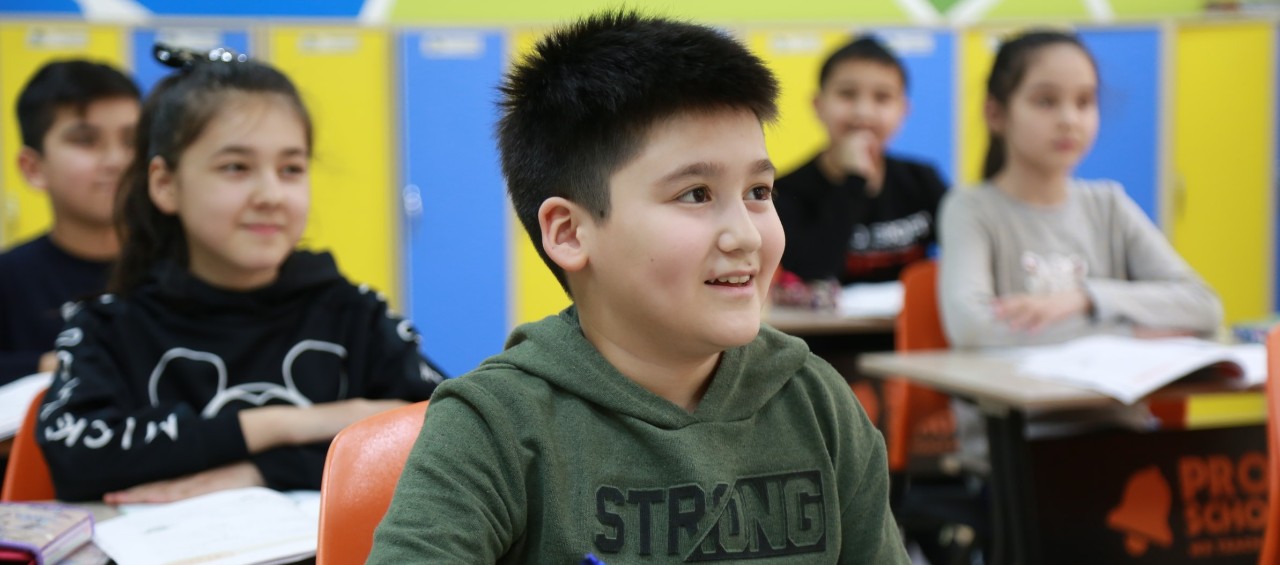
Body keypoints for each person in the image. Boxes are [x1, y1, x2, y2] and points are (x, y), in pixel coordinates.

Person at [369, 12, 908, 564]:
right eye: (696, 194)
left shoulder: (817, 403)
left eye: (759, 191)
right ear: (570, 232)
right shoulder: (495, 426)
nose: (746, 234)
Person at [36, 45, 444, 503]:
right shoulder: (108, 326)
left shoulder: (355, 313)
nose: (270, 193)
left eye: (291, 168)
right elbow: (74, 456)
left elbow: (449, 430)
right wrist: (290, 422)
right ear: (165, 185)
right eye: (236, 167)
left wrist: (260, 471)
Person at [937, 30, 1223, 463]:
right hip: (1021, 449)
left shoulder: (1108, 203)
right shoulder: (971, 209)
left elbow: (1204, 307)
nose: (1069, 119)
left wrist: (1085, 299)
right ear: (996, 113)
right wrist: (1131, 332)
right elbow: (974, 329)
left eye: (1085, 102)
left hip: (1119, 438)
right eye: (1046, 101)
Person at [0, 60, 139, 384]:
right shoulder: (9, 279)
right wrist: (46, 365)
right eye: (86, 140)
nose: (116, 160)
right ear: (33, 167)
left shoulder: (184, 269)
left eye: (131, 140)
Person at [774, 36, 947, 286]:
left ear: (904, 110)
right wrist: (854, 181)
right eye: (847, 94)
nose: (863, 111)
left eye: (882, 97)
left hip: (906, 323)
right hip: (822, 325)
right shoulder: (788, 191)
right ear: (818, 105)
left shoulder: (922, 180)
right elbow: (812, 272)